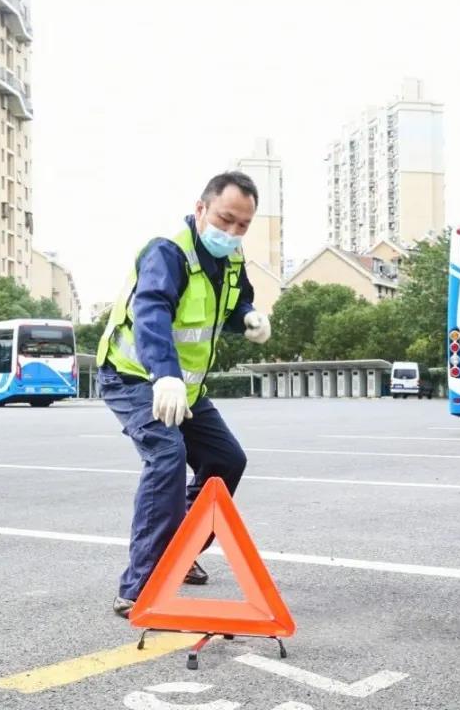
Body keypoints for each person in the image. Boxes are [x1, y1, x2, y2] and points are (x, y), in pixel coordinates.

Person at [96, 171, 272, 618]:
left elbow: (235, 303)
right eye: (225, 219)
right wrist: (165, 376)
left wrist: (249, 316)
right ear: (200, 210)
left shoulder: (231, 259)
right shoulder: (168, 252)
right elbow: (152, 311)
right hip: (135, 377)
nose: (232, 232)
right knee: (168, 455)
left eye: (242, 225)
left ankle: (182, 549)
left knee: (226, 461)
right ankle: (143, 583)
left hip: (185, 388)